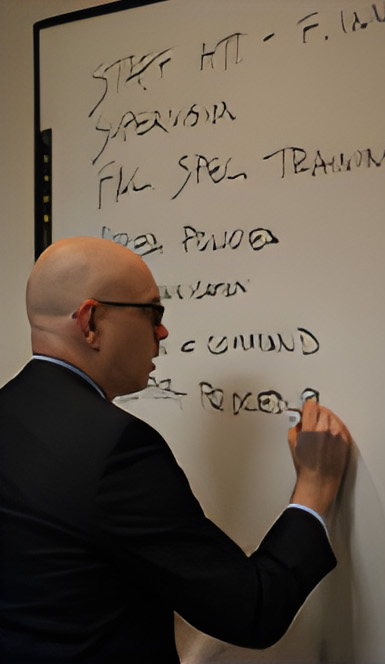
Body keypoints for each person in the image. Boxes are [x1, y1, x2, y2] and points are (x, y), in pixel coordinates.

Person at [0, 237, 354, 663]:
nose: (163, 331)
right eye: (153, 312)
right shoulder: (118, 449)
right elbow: (252, 610)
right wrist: (313, 490)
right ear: (90, 321)